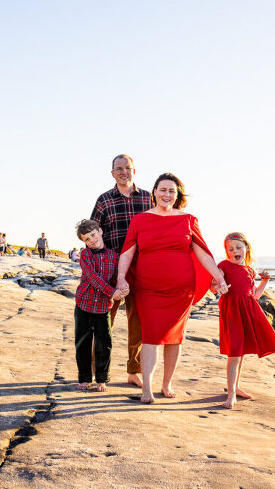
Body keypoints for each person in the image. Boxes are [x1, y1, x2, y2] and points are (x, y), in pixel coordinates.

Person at [117, 173, 229, 404]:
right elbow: (127, 252)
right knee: (150, 337)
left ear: (177, 196)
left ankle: (166, 384)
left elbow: (202, 252)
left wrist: (218, 276)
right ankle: (146, 388)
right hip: (148, 288)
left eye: (172, 191)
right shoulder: (140, 220)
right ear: (154, 193)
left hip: (180, 290)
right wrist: (121, 279)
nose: (167, 194)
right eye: (163, 190)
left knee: (174, 338)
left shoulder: (188, 219)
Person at [91, 154, 152, 388]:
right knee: (105, 322)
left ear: (134, 170)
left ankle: (133, 371)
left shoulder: (148, 199)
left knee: (137, 323)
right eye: (118, 168)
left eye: (127, 168)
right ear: (112, 173)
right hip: (110, 271)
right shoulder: (104, 200)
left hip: (141, 269)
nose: (123, 172)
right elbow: (93, 235)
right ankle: (99, 372)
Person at [217, 232, 275, 409]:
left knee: (241, 351)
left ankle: (235, 387)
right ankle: (231, 394)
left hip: (248, 311)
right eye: (230, 249)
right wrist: (219, 287)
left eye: (238, 247)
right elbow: (213, 285)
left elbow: (255, 295)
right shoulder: (224, 266)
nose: (234, 251)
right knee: (234, 352)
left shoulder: (250, 270)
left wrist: (265, 281)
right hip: (232, 312)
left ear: (246, 248)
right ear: (227, 252)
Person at [74, 219, 125, 392]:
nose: (91, 240)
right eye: (86, 239)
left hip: (103, 308)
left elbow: (118, 278)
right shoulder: (85, 255)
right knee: (83, 343)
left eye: (93, 235)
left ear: (100, 231)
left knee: (104, 344)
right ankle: (84, 378)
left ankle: (102, 379)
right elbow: (92, 277)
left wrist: (122, 289)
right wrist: (111, 292)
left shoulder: (114, 256)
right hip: (84, 305)